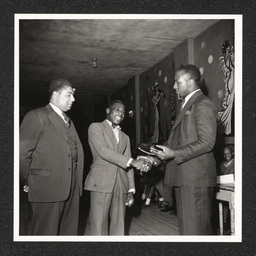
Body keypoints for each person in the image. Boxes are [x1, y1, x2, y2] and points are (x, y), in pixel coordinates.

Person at [150, 64, 218, 235]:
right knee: (189, 232)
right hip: (186, 179)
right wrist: (157, 157)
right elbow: (177, 140)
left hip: (195, 180)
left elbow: (207, 142)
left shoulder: (203, 104)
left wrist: (174, 154)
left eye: (177, 82)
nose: (174, 86)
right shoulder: (188, 105)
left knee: (195, 233)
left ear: (189, 82)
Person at [20, 79, 84, 235]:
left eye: (73, 96)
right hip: (46, 189)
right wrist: (28, 180)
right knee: (45, 236)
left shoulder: (69, 121)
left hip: (71, 190)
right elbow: (22, 153)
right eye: (69, 95)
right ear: (55, 94)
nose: (73, 99)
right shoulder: (36, 116)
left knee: (67, 235)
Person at [84, 100, 151, 235]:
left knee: (119, 225)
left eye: (123, 111)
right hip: (101, 182)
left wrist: (131, 189)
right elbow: (103, 151)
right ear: (108, 111)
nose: (120, 113)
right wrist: (133, 161)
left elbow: (128, 167)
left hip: (121, 184)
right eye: (117, 109)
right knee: (98, 225)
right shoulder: (96, 127)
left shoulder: (125, 137)